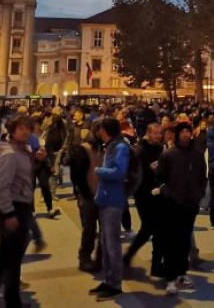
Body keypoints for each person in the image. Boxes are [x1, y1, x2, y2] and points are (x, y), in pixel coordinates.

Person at [0, 114, 39, 308]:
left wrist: (35, 159)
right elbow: (3, 186)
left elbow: (24, 176)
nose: (25, 131)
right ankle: (12, 301)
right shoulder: (10, 154)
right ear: (12, 131)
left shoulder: (23, 150)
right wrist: (8, 213)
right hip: (14, 207)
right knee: (12, 259)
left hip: (20, 205)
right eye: (21, 128)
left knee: (4, 256)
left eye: (27, 128)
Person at [154, 121, 207, 295]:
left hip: (190, 205)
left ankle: (181, 274)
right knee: (172, 241)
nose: (185, 134)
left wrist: (199, 194)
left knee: (184, 241)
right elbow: (160, 178)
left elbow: (202, 176)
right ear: (177, 135)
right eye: (182, 131)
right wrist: (168, 193)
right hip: (172, 205)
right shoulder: (169, 155)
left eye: (188, 131)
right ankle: (170, 277)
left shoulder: (197, 155)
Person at [90, 117, 130, 302]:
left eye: (100, 129)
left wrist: (99, 171)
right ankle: (108, 279)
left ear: (106, 130)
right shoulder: (111, 145)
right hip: (105, 198)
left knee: (112, 244)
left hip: (114, 200)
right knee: (105, 243)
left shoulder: (121, 147)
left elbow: (119, 172)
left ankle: (115, 284)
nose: (98, 132)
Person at [124, 122, 164, 267]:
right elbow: (134, 173)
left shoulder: (160, 148)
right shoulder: (139, 150)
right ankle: (129, 254)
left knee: (158, 228)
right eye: (156, 133)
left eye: (160, 133)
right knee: (148, 228)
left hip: (158, 192)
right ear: (148, 133)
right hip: (143, 194)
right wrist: (149, 170)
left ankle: (157, 261)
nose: (159, 136)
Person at [68, 123, 102, 272]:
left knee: (105, 229)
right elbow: (76, 175)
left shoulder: (104, 148)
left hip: (102, 194)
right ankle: (85, 258)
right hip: (88, 195)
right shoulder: (82, 150)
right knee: (89, 229)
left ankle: (100, 257)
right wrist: (83, 193)